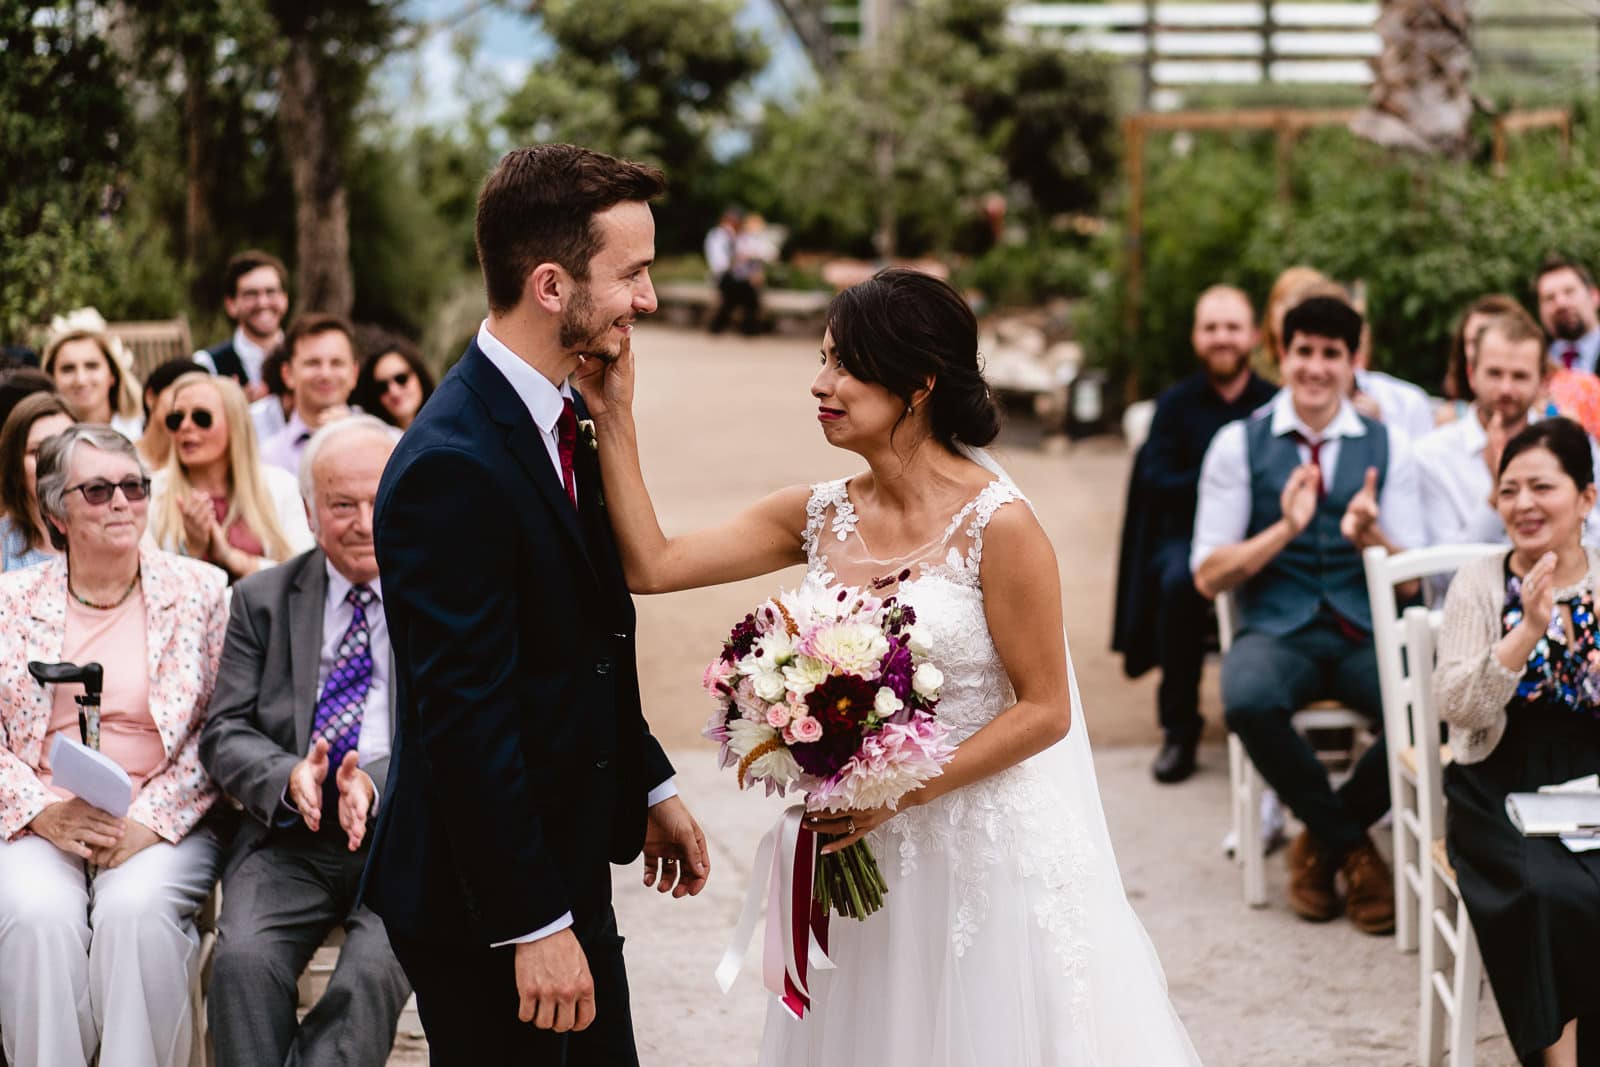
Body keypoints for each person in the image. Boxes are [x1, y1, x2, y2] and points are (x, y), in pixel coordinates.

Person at [582, 262, 1201, 1062]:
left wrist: (899, 789)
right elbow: (653, 562)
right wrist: (616, 412)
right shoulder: (814, 513)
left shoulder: (1000, 527)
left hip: (982, 857)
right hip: (860, 855)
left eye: (844, 363)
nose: (820, 383)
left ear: (918, 384)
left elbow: (1046, 708)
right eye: (823, 358)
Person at [364, 144, 710, 1064]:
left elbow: (582, 634)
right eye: (631, 274)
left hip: (561, 866)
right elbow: (464, 715)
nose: (648, 299)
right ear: (551, 285)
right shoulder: (451, 464)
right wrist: (532, 923)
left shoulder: (562, 409)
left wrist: (649, 778)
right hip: (486, 902)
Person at [1192, 295, 1426, 933]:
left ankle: (1319, 841)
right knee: (1245, 700)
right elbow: (1207, 574)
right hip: (1277, 630)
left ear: (1354, 363)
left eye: (1332, 354)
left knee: (1429, 713)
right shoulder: (1237, 444)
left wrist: (1373, 537)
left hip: (1363, 632)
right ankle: (1352, 846)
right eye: (1305, 352)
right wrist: (1283, 530)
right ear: (1283, 355)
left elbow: (1417, 580)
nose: (1317, 367)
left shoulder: (1391, 446)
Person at [0, 424, 229, 1067]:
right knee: (36, 916)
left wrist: (147, 823)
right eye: (97, 490)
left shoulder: (202, 591)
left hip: (159, 814)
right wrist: (42, 812)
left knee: (136, 916)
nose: (121, 502)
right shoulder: (9, 602)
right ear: (56, 513)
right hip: (39, 813)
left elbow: (222, 728)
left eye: (133, 486)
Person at [199, 415, 410, 1067]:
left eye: (382, 499)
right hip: (289, 838)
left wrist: (371, 778)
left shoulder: (439, 599)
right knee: (240, 961)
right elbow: (224, 730)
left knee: (367, 976)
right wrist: (290, 774)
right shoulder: (262, 598)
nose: (365, 520)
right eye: (343, 504)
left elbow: (457, 733)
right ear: (311, 513)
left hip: (407, 840)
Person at [1433, 417, 1600, 1066]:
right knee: (1549, 892)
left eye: (1542, 486)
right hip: (1498, 777)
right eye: (1508, 489)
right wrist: (1526, 631)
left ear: (1586, 497)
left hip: (1589, 771)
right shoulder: (1479, 582)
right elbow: (1457, 703)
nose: (1523, 503)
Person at [1113, 285, 1278, 784]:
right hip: (1188, 536)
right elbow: (1156, 481)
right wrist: (1219, 484)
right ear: (1195, 338)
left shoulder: (1274, 403)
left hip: (1262, 536)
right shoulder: (1175, 406)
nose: (1222, 338)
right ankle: (1179, 730)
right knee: (1178, 583)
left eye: (1231, 327)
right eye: (1211, 328)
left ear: (1252, 335)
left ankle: (1278, 717)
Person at [148, 371, 312, 580]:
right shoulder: (151, 493)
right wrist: (192, 550)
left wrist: (233, 558)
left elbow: (305, 574)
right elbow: (152, 585)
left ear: (234, 424)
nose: (185, 426)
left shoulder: (281, 486)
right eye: (176, 418)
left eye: (201, 418)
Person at [258, 313, 358, 475]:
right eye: (313, 363)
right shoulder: (265, 458)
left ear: (354, 374)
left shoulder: (390, 443)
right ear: (288, 374)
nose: (325, 374)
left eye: (337, 363)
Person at [195, 250, 290, 399]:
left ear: (285, 299)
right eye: (251, 294)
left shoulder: (305, 359)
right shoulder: (207, 365)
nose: (263, 303)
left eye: (271, 292)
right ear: (231, 305)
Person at [0, 393, 76, 572]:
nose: (54, 462)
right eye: (37, 451)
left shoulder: (112, 527)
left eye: (65, 448)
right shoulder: (3, 544)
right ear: (15, 464)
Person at [41, 309, 143, 440]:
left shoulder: (141, 432)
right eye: (68, 369)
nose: (81, 380)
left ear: (113, 374)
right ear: (51, 377)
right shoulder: (44, 438)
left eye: (92, 366)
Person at [1442, 293, 1526, 415]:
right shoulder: (1450, 418)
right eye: (1473, 342)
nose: (1480, 351)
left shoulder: (1549, 410)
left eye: (1491, 341)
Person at [135, 357, 205, 470]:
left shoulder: (199, 465)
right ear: (151, 397)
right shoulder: (120, 457)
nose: (188, 404)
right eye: (179, 393)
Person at [1535, 255, 1600, 375]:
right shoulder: (1536, 364)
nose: (1561, 303)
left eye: (1569, 292)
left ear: (1594, 296)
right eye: (1549, 298)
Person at [352, 336, 435, 431]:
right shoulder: (367, 431)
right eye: (381, 387)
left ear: (419, 376)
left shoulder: (450, 421)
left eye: (401, 379)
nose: (394, 392)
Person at [705, 205, 761, 336]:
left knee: (745, 290)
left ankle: (720, 326)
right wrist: (736, 252)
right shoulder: (717, 236)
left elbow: (762, 254)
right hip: (724, 278)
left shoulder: (745, 237)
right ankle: (747, 328)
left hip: (742, 279)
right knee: (741, 290)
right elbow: (719, 265)